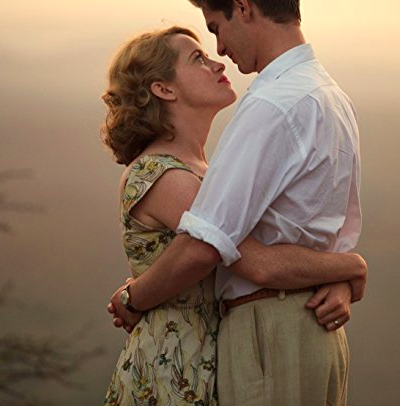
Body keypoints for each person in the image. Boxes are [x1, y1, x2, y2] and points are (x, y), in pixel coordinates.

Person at [101, 26, 367, 406]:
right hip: (175, 370)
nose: (217, 61)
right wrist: (350, 267)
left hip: (211, 359)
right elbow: (256, 262)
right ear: (164, 89)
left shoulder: (205, 173)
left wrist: (338, 279)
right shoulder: (167, 177)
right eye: (198, 58)